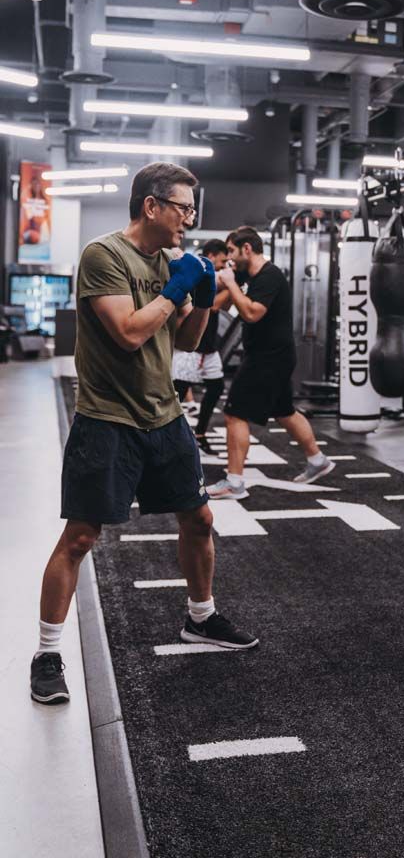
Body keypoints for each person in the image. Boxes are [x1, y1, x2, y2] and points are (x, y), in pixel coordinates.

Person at [30, 163, 257, 707]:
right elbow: (129, 333)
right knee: (81, 537)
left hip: (164, 415)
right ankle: (47, 654)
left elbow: (186, 341)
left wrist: (203, 297)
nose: (190, 218)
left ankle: (200, 617)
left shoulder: (169, 262)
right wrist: (176, 287)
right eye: (183, 207)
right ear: (151, 206)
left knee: (199, 519)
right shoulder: (103, 255)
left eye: (193, 209)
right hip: (107, 418)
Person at [207, 225, 334, 499]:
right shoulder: (247, 274)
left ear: (247, 249)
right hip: (272, 354)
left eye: (231, 251)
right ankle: (318, 460)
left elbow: (252, 313)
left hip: (268, 357)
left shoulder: (269, 276)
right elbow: (219, 298)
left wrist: (230, 283)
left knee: (235, 413)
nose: (229, 257)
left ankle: (234, 482)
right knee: (284, 410)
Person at [171, 238, 231, 454]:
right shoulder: (198, 272)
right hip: (191, 347)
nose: (223, 267)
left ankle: (200, 434)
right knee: (177, 392)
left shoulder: (217, 277)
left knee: (216, 388)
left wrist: (232, 285)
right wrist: (232, 285)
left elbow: (225, 305)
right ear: (211, 256)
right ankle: (168, 437)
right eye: (222, 262)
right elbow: (212, 305)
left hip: (209, 347)